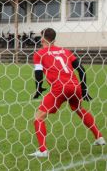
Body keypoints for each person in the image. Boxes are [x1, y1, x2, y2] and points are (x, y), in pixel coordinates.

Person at [29, 28, 105, 158]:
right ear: (54, 39)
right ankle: (99, 137)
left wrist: (38, 88)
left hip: (59, 88)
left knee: (38, 117)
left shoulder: (39, 53)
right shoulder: (66, 51)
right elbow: (81, 69)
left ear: (42, 39)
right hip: (75, 86)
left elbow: (38, 73)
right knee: (79, 109)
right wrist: (84, 89)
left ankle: (43, 151)